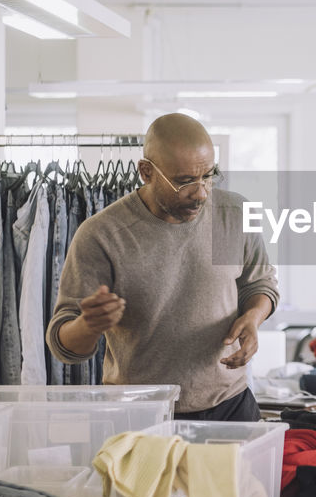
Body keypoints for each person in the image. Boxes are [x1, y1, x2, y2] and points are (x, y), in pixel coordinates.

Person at [46, 113, 279, 421]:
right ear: (146, 172)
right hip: (140, 413)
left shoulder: (233, 213)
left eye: (209, 176)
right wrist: (88, 326)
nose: (201, 193)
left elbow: (260, 284)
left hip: (232, 406)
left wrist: (253, 317)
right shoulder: (102, 235)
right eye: (184, 182)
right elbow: (62, 344)